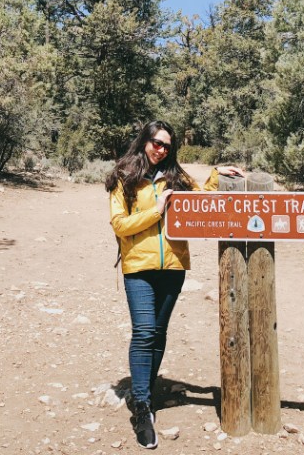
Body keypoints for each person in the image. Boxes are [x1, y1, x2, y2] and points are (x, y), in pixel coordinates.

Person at [105, 120, 242, 449]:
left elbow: (201, 202)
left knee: (160, 332)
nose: (160, 149)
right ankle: (141, 408)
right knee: (144, 332)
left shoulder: (177, 177)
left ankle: (146, 392)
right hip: (138, 266)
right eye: (156, 142)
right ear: (144, 141)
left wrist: (216, 174)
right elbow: (120, 225)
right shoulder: (123, 176)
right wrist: (157, 209)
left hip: (173, 266)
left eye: (166, 145)